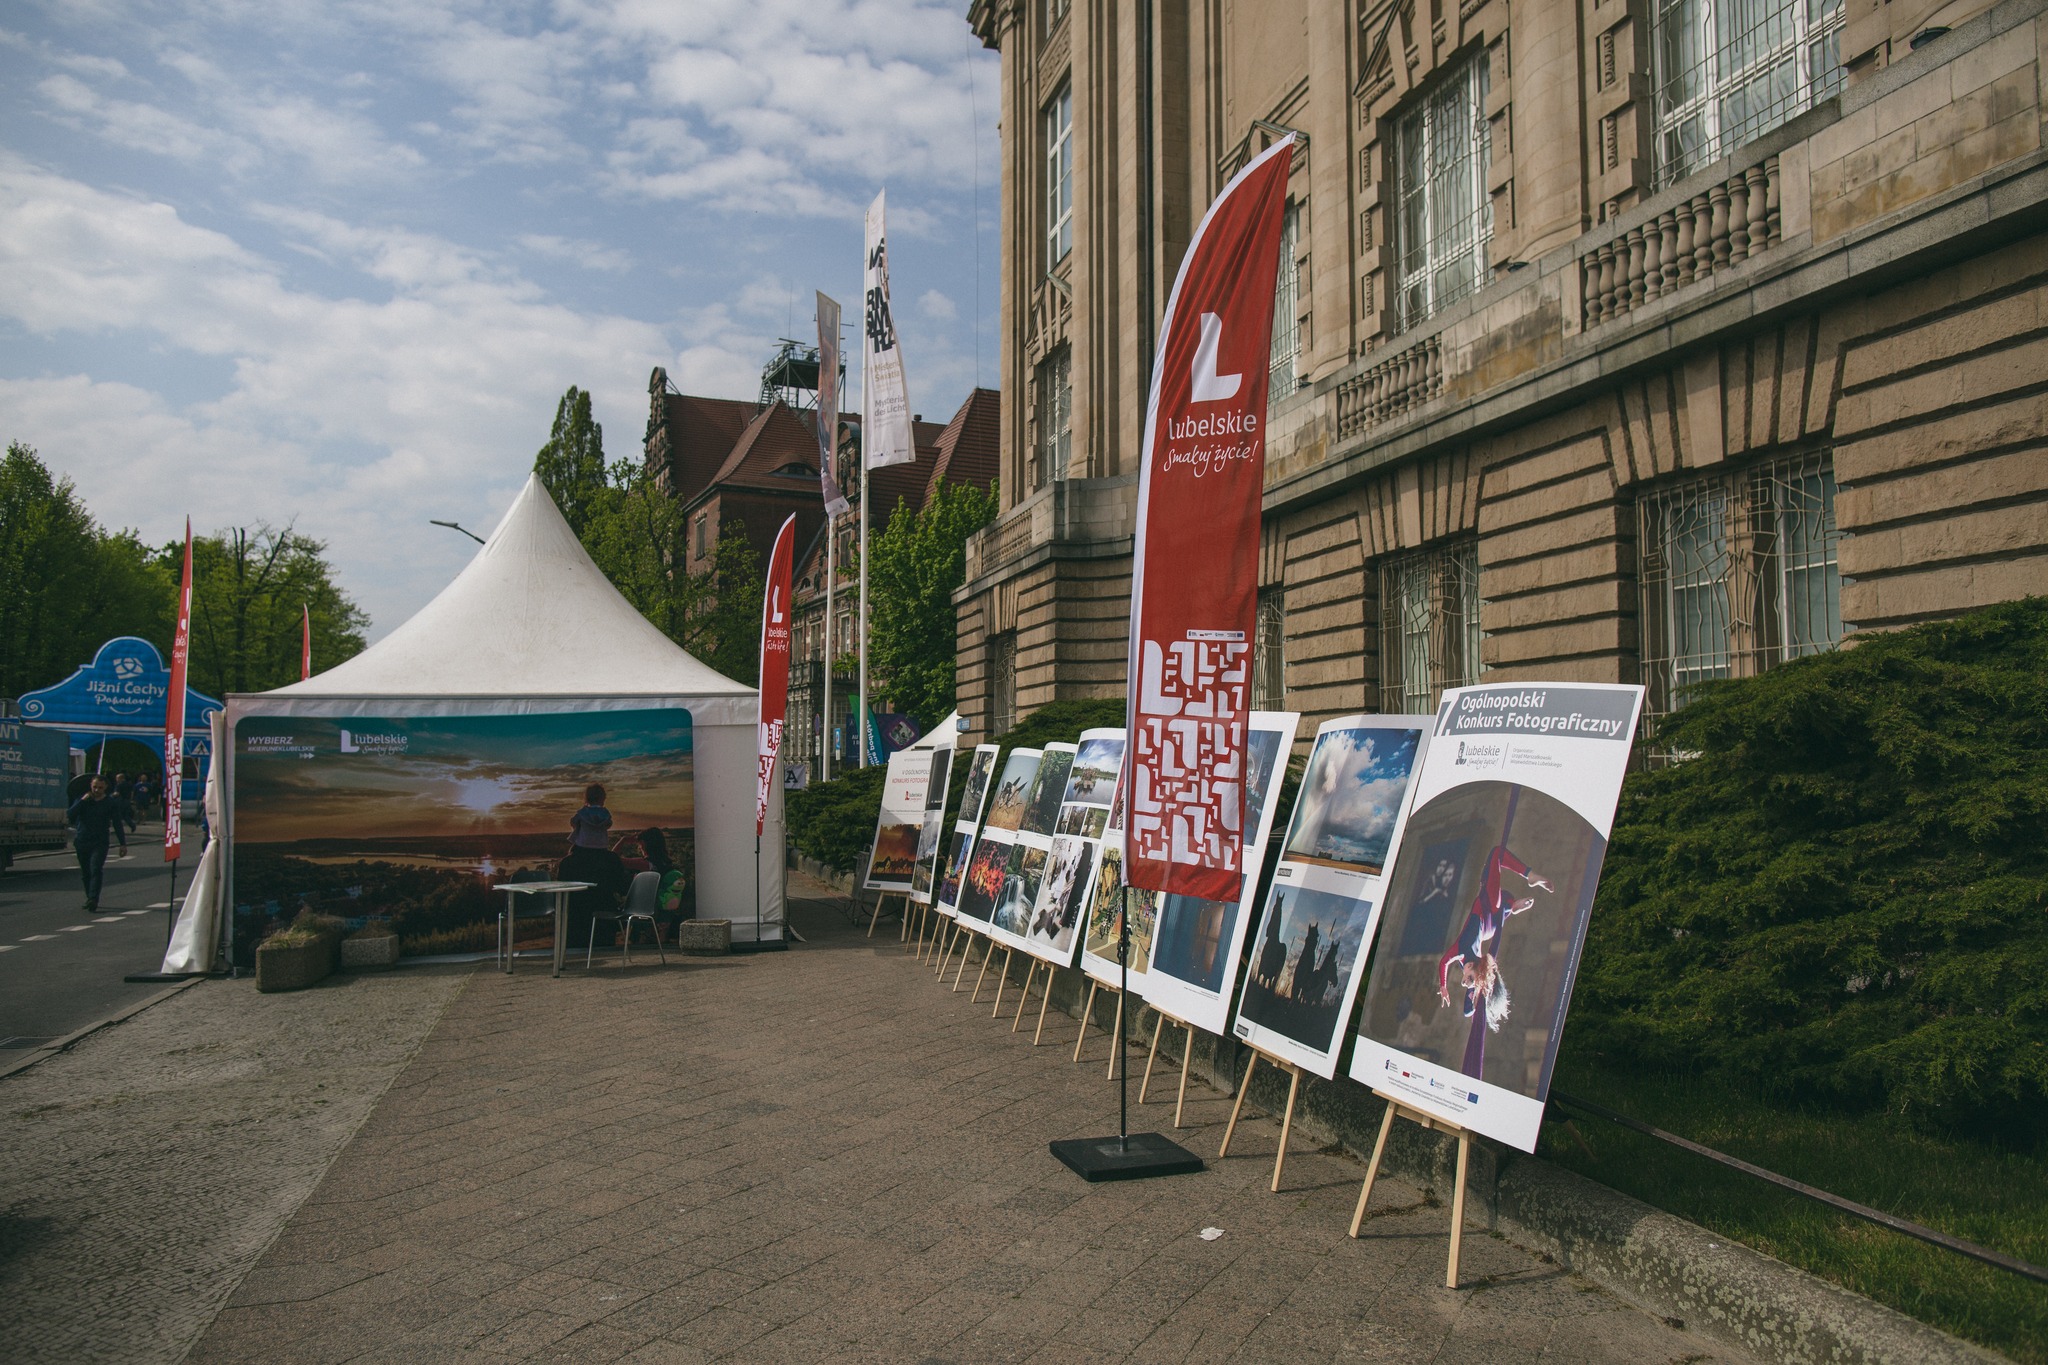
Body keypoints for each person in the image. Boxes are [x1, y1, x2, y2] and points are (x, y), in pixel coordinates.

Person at [1437, 844, 1553, 1032]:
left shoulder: (1469, 968)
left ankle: (1513, 907)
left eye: (1467, 981)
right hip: (1487, 908)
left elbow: (1467, 1011)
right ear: (1470, 967)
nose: (1465, 981)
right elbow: (1443, 962)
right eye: (1469, 978)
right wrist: (1443, 985)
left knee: (1504, 900)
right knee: (1497, 854)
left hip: (1489, 925)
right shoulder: (1459, 952)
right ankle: (1529, 878)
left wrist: (1469, 999)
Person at [67, 776, 123, 913]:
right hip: (82, 840)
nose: (97, 790)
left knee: (95, 868)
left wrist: (123, 843)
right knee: (86, 872)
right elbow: (70, 814)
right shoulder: (83, 800)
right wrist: (82, 801)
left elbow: (117, 823)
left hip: (100, 841)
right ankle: (89, 897)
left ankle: (93, 898)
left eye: (100, 787)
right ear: (90, 786)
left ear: (105, 788)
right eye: (94, 787)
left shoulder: (110, 803)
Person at [569, 784, 613, 849]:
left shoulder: (583, 812)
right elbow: (609, 824)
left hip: (583, 844)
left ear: (587, 798)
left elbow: (573, 821)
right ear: (603, 798)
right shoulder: (605, 813)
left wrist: (577, 826)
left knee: (572, 850)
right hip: (601, 845)